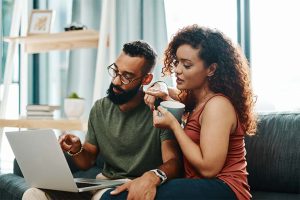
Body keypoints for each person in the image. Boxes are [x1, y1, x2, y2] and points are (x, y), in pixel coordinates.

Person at [22, 41, 181, 200]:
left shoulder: (160, 110)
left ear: (146, 79)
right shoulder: (100, 108)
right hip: (102, 183)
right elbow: (87, 161)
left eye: (127, 76)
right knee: (33, 194)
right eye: (115, 71)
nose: (116, 81)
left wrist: (152, 177)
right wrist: (76, 148)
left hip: (132, 184)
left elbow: (173, 161)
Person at [144, 25, 256, 200]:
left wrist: (174, 125)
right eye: (176, 62)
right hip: (199, 187)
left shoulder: (218, 105)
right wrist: (159, 86)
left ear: (211, 69)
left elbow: (208, 169)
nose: (177, 70)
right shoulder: (194, 99)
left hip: (226, 189)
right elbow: (168, 90)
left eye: (187, 65)